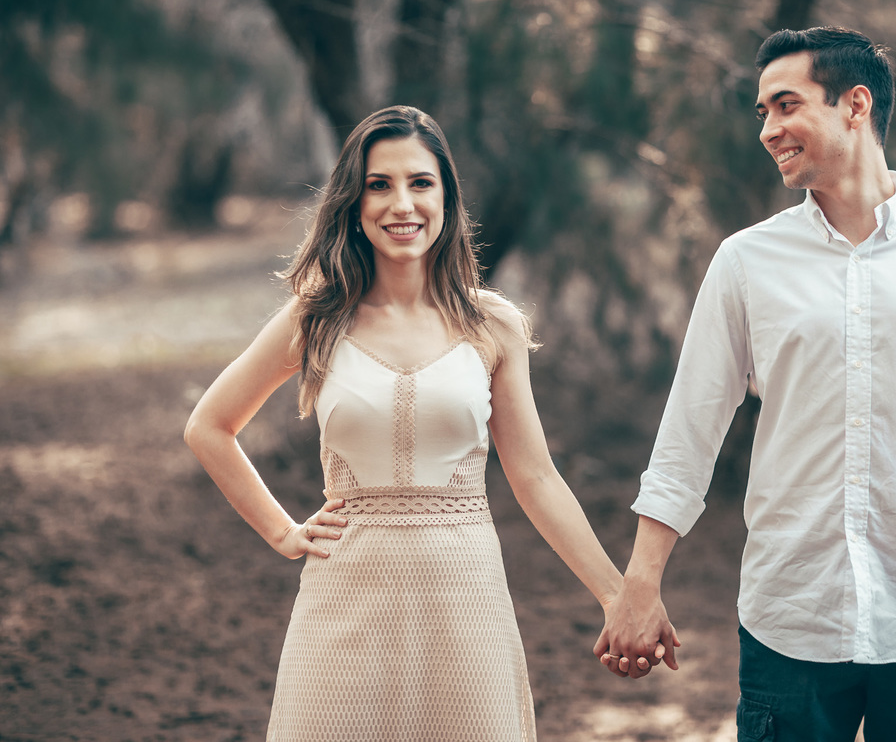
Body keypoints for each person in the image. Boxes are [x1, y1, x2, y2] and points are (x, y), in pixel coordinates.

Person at [594, 27, 896, 741]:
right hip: (791, 619)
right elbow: (689, 431)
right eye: (761, 114)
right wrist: (639, 582)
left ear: (856, 104)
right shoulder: (746, 262)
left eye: (785, 106)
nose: (769, 130)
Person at [185, 105, 646, 741]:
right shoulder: (315, 316)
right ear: (354, 200)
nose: (402, 204)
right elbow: (210, 426)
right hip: (344, 595)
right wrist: (284, 533)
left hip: (465, 596)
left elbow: (535, 475)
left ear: (446, 197)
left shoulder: (494, 325)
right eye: (380, 185)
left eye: (420, 183)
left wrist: (616, 594)